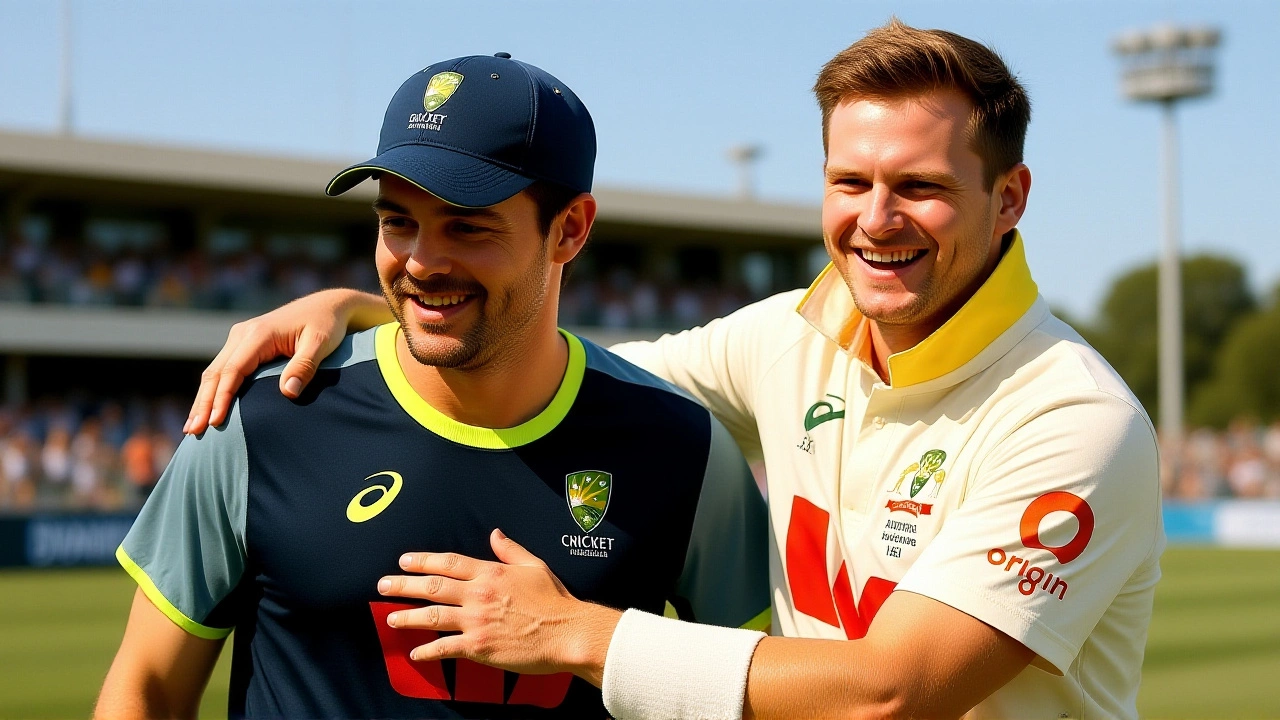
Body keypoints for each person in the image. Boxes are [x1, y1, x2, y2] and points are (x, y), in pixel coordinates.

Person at [186, 20, 1165, 720]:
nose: (874, 219)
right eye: (848, 181)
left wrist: (575, 634)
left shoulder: (1070, 417)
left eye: (919, 187)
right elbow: (559, 369)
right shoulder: (791, 334)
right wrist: (374, 306)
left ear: (1009, 198)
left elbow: (892, 692)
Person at [97, 53, 769, 720]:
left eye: (466, 226)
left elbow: (753, 695)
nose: (421, 262)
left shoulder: (683, 449)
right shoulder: (261, 419)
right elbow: (146, 688)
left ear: (570, 229)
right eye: (398, 222)